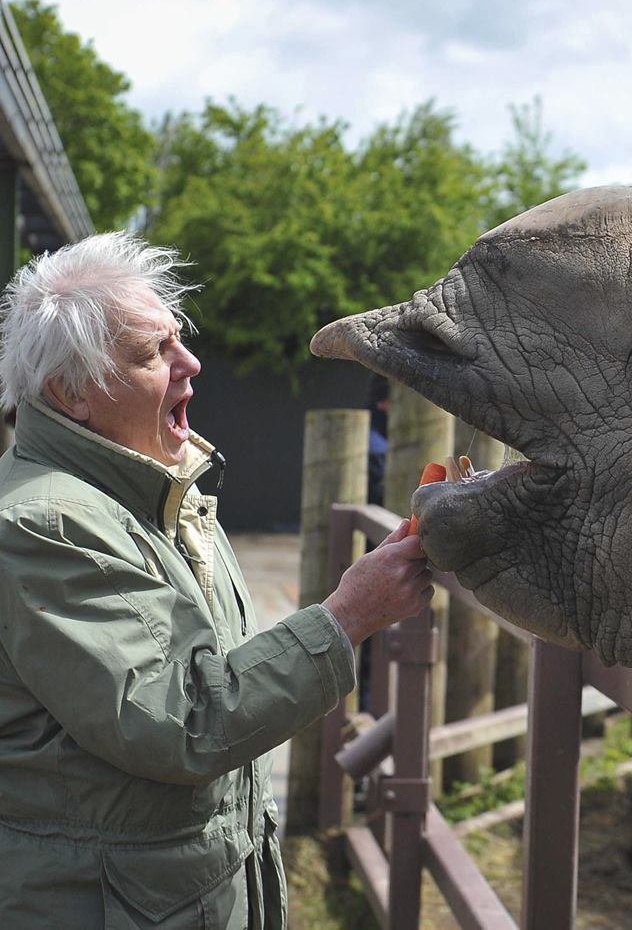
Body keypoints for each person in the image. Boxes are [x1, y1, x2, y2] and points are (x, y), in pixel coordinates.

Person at [0, 232, 433, 928]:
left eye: (179, 339)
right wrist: (348, 616)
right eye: (153, 353)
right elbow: (183, 721)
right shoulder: (46, 526)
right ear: (71, 393)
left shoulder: (157, 491)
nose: (191, 364)